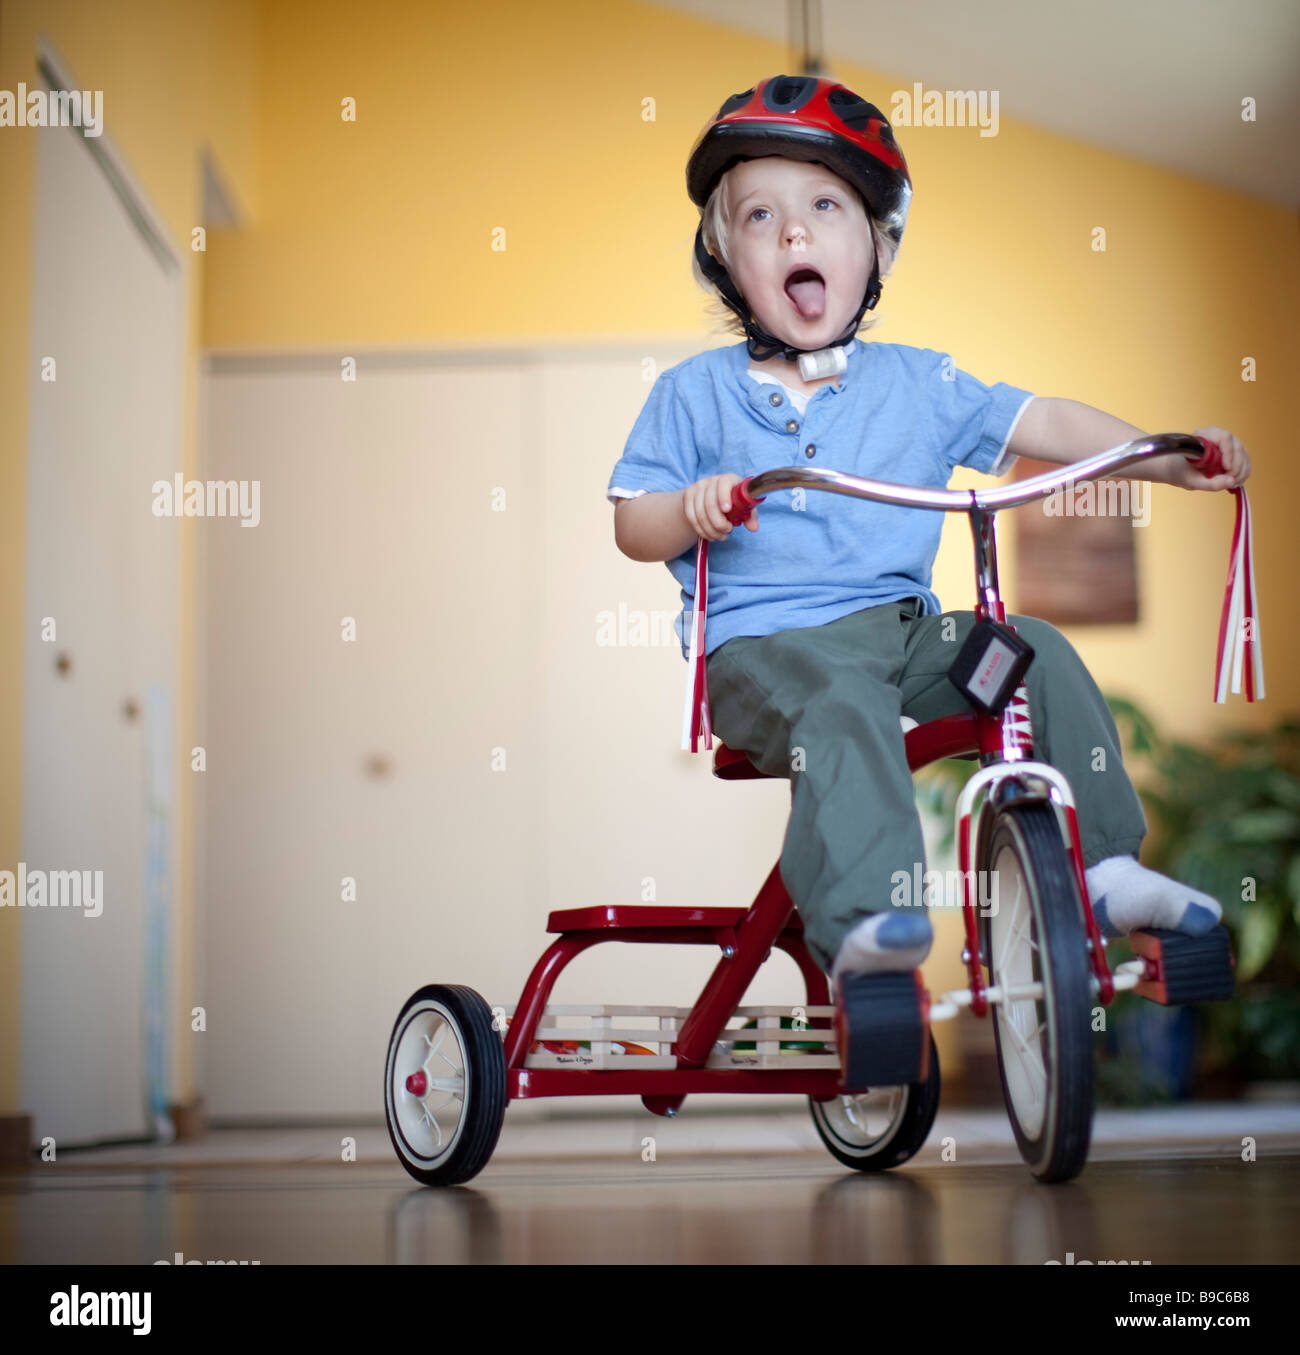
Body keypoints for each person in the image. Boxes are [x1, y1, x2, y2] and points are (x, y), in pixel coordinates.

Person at [607, 74, 1251, 1000]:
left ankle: (1103, 870)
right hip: (760, 647)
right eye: (759, 217)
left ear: (878, 250)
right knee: (840, 704)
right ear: (726, 265)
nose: (794, 233)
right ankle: (869, 923)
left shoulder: (920, 384)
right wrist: (689, 508)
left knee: (1028, 651)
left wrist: (1165, 459)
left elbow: (1047, 424)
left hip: (904, 639)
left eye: (825, 207)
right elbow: (635, 522)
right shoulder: (693, 394)